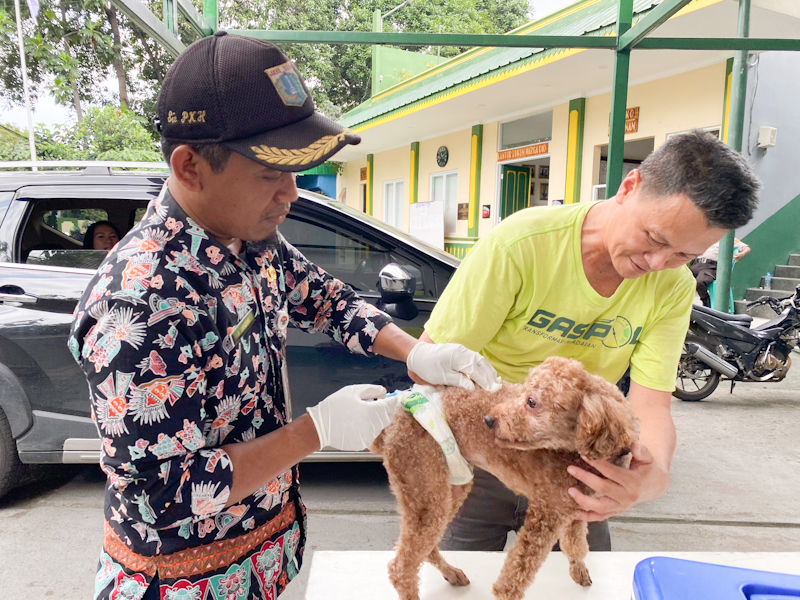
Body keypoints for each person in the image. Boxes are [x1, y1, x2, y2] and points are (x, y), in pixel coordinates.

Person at [69, 32, 499, 600]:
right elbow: (163, 493)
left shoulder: (248, 238)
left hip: (264, 554)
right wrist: (313, 432)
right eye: (272, 173)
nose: (291, 194)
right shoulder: (141, 301)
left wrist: (415, 350)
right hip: (185, 582)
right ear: (191, 165)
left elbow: (323, 296)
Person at [416, 130, 760, 552]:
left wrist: (653, 474)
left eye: (683, 255)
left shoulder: (672, 287)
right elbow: (427, 362)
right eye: (655, 239)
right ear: (629, 187)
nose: (656, 264)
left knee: (580, 581)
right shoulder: (522, 245)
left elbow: (650, 403)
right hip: (481, 456)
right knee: (454, 582)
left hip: (577, 467)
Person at [691, 238, 751, 307]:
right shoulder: (707, 237)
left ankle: (706, 300)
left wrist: (741, 254)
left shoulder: (729, 240)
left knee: (699, 282)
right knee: (680, 278)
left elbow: (746, 248)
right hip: (696, 264)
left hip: (710, 267)